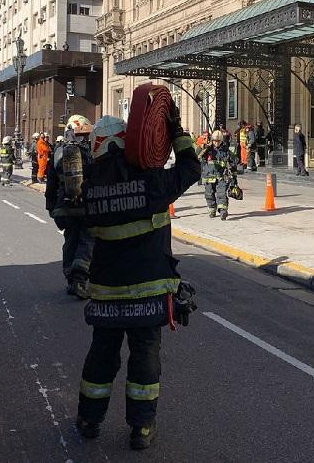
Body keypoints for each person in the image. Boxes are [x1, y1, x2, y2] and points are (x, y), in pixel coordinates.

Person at [75, 106, 200, 450]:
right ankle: (141, 429)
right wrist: (176, 131)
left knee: (101, 357)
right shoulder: (153, 182)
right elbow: (191, 169)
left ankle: (89, 420)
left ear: (98, 146)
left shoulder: (89, 188)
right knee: (144, 360)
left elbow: (66, 219)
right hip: (149, 294)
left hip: (106, 295)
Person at [46, 115, 94, 297]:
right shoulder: (86, 151)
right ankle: (80, 278)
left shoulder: (58, 150)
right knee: (88, 239)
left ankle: (70, 279)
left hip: (63, 207)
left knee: (70, 239)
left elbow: (51, 183)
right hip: (85, 205)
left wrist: (51, 206)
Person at [199, 129, 237, 220]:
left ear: (221, 141)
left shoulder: (226, 151)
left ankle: (223, 211)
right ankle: (212, 209)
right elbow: (198, 157)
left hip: (221, 177)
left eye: (218, 141)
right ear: (212, 140)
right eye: (214, 141)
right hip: (208, 177)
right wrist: (204, 148)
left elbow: (232, 164)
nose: (216, 143)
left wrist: (234, 179)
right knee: (209, 194)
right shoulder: (207, 149)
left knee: (222, 194)